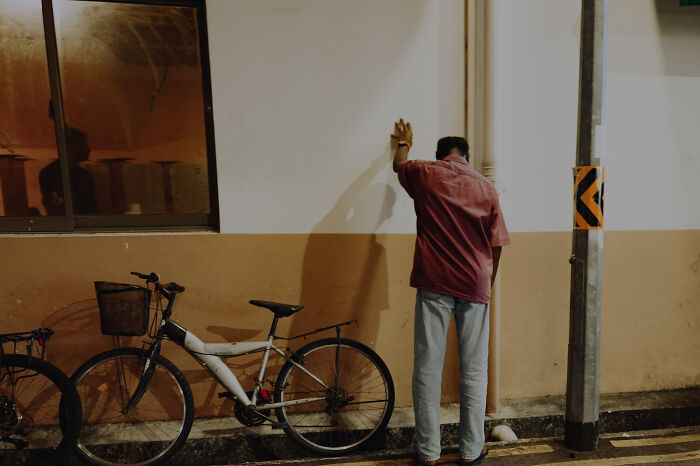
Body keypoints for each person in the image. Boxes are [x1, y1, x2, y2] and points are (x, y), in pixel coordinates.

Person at [391, 118, 510, 465]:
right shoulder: (486, 188)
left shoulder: (425, 174)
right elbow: (497, 243)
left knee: (427, 367)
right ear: (467, 157)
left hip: (434, 282)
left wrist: (403, 144)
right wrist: (487, 281)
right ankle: (472, 451)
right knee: (474, 370)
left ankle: (428, 452)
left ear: (440, 155)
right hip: (475, 285)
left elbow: (398, 165)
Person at [39, 127, 98, 215]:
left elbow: (93, 208)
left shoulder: (85, 175)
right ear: (73, 146)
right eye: (84, 145)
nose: (88, 149)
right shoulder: (49, 173)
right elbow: (52, 207)